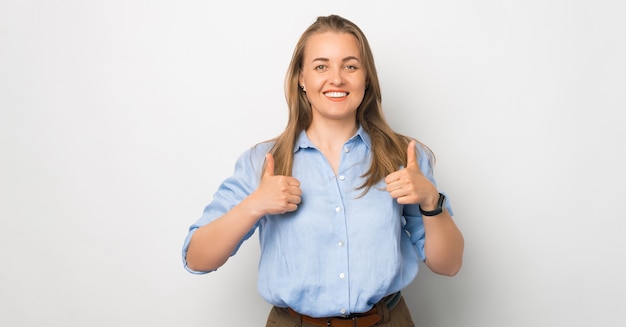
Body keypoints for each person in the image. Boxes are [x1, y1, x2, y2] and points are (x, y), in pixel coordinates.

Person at [182, 14, 464, 327]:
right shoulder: (263, 162)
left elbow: (449, 265)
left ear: (366, 77)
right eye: (321, 66)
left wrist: (430, 201)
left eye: (350, 66)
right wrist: (255, 205)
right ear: (301, 78)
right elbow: (197, 259)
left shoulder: (405, 157)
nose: (337, 78)